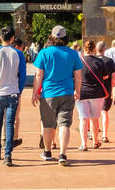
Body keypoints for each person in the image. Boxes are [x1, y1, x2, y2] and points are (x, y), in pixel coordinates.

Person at [31, 25, 82, 165]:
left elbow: (38, 75)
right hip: (67, 92)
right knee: (64, 124)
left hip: (48, 94)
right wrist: (78, 90)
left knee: (48, 125)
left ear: (52, 38)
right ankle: (62, 154)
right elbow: (78, 76)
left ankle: (47, 152)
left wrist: (35, 93)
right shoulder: (73, 54)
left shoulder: (44, 53)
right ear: (66, 38)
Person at [0, 27, 25, 166]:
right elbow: (22, 76)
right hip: (13, 92)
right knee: (9, 124)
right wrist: (19, 91)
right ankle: (8, 154)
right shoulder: (18, 54)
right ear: (13, 38)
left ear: (0, 38)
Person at [75, 38, 114, 150]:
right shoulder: (99, 62)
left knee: (83, 119)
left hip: (82, 92)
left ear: (84, 48)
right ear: (94, 49)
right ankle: (95, 142)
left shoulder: (79, 61)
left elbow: (75, 76)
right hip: (97, 93)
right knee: (95, 118)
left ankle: (83, 144)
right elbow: (106, 76)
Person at [95, 40, 115, 142]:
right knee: (105, 112)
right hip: (106, 90)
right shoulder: (109, 61)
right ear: (105, 49)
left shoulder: (92, 60)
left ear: (96, 49)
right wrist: (111, 88)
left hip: (94, 90)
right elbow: (113, 77)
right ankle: (104, 135)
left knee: (93, 114)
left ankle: (93, 133)